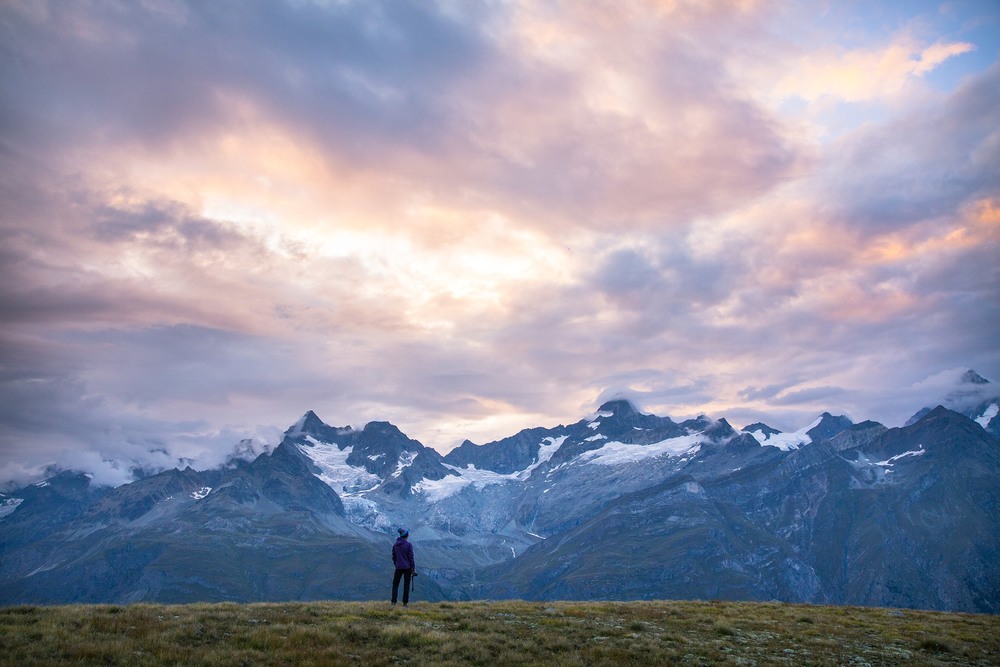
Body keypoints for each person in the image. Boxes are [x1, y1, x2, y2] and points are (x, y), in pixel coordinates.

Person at [391, 527, 415, 606]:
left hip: (398, 567)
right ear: (406, 536)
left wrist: (396, 564)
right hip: (407, 567)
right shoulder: (408, 545)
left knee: (395, 584)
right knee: (406, 585)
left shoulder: (395, 545)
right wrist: (413, 568)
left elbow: (394, 556)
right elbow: (411, 557)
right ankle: (405, 603)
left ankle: (393, 602)